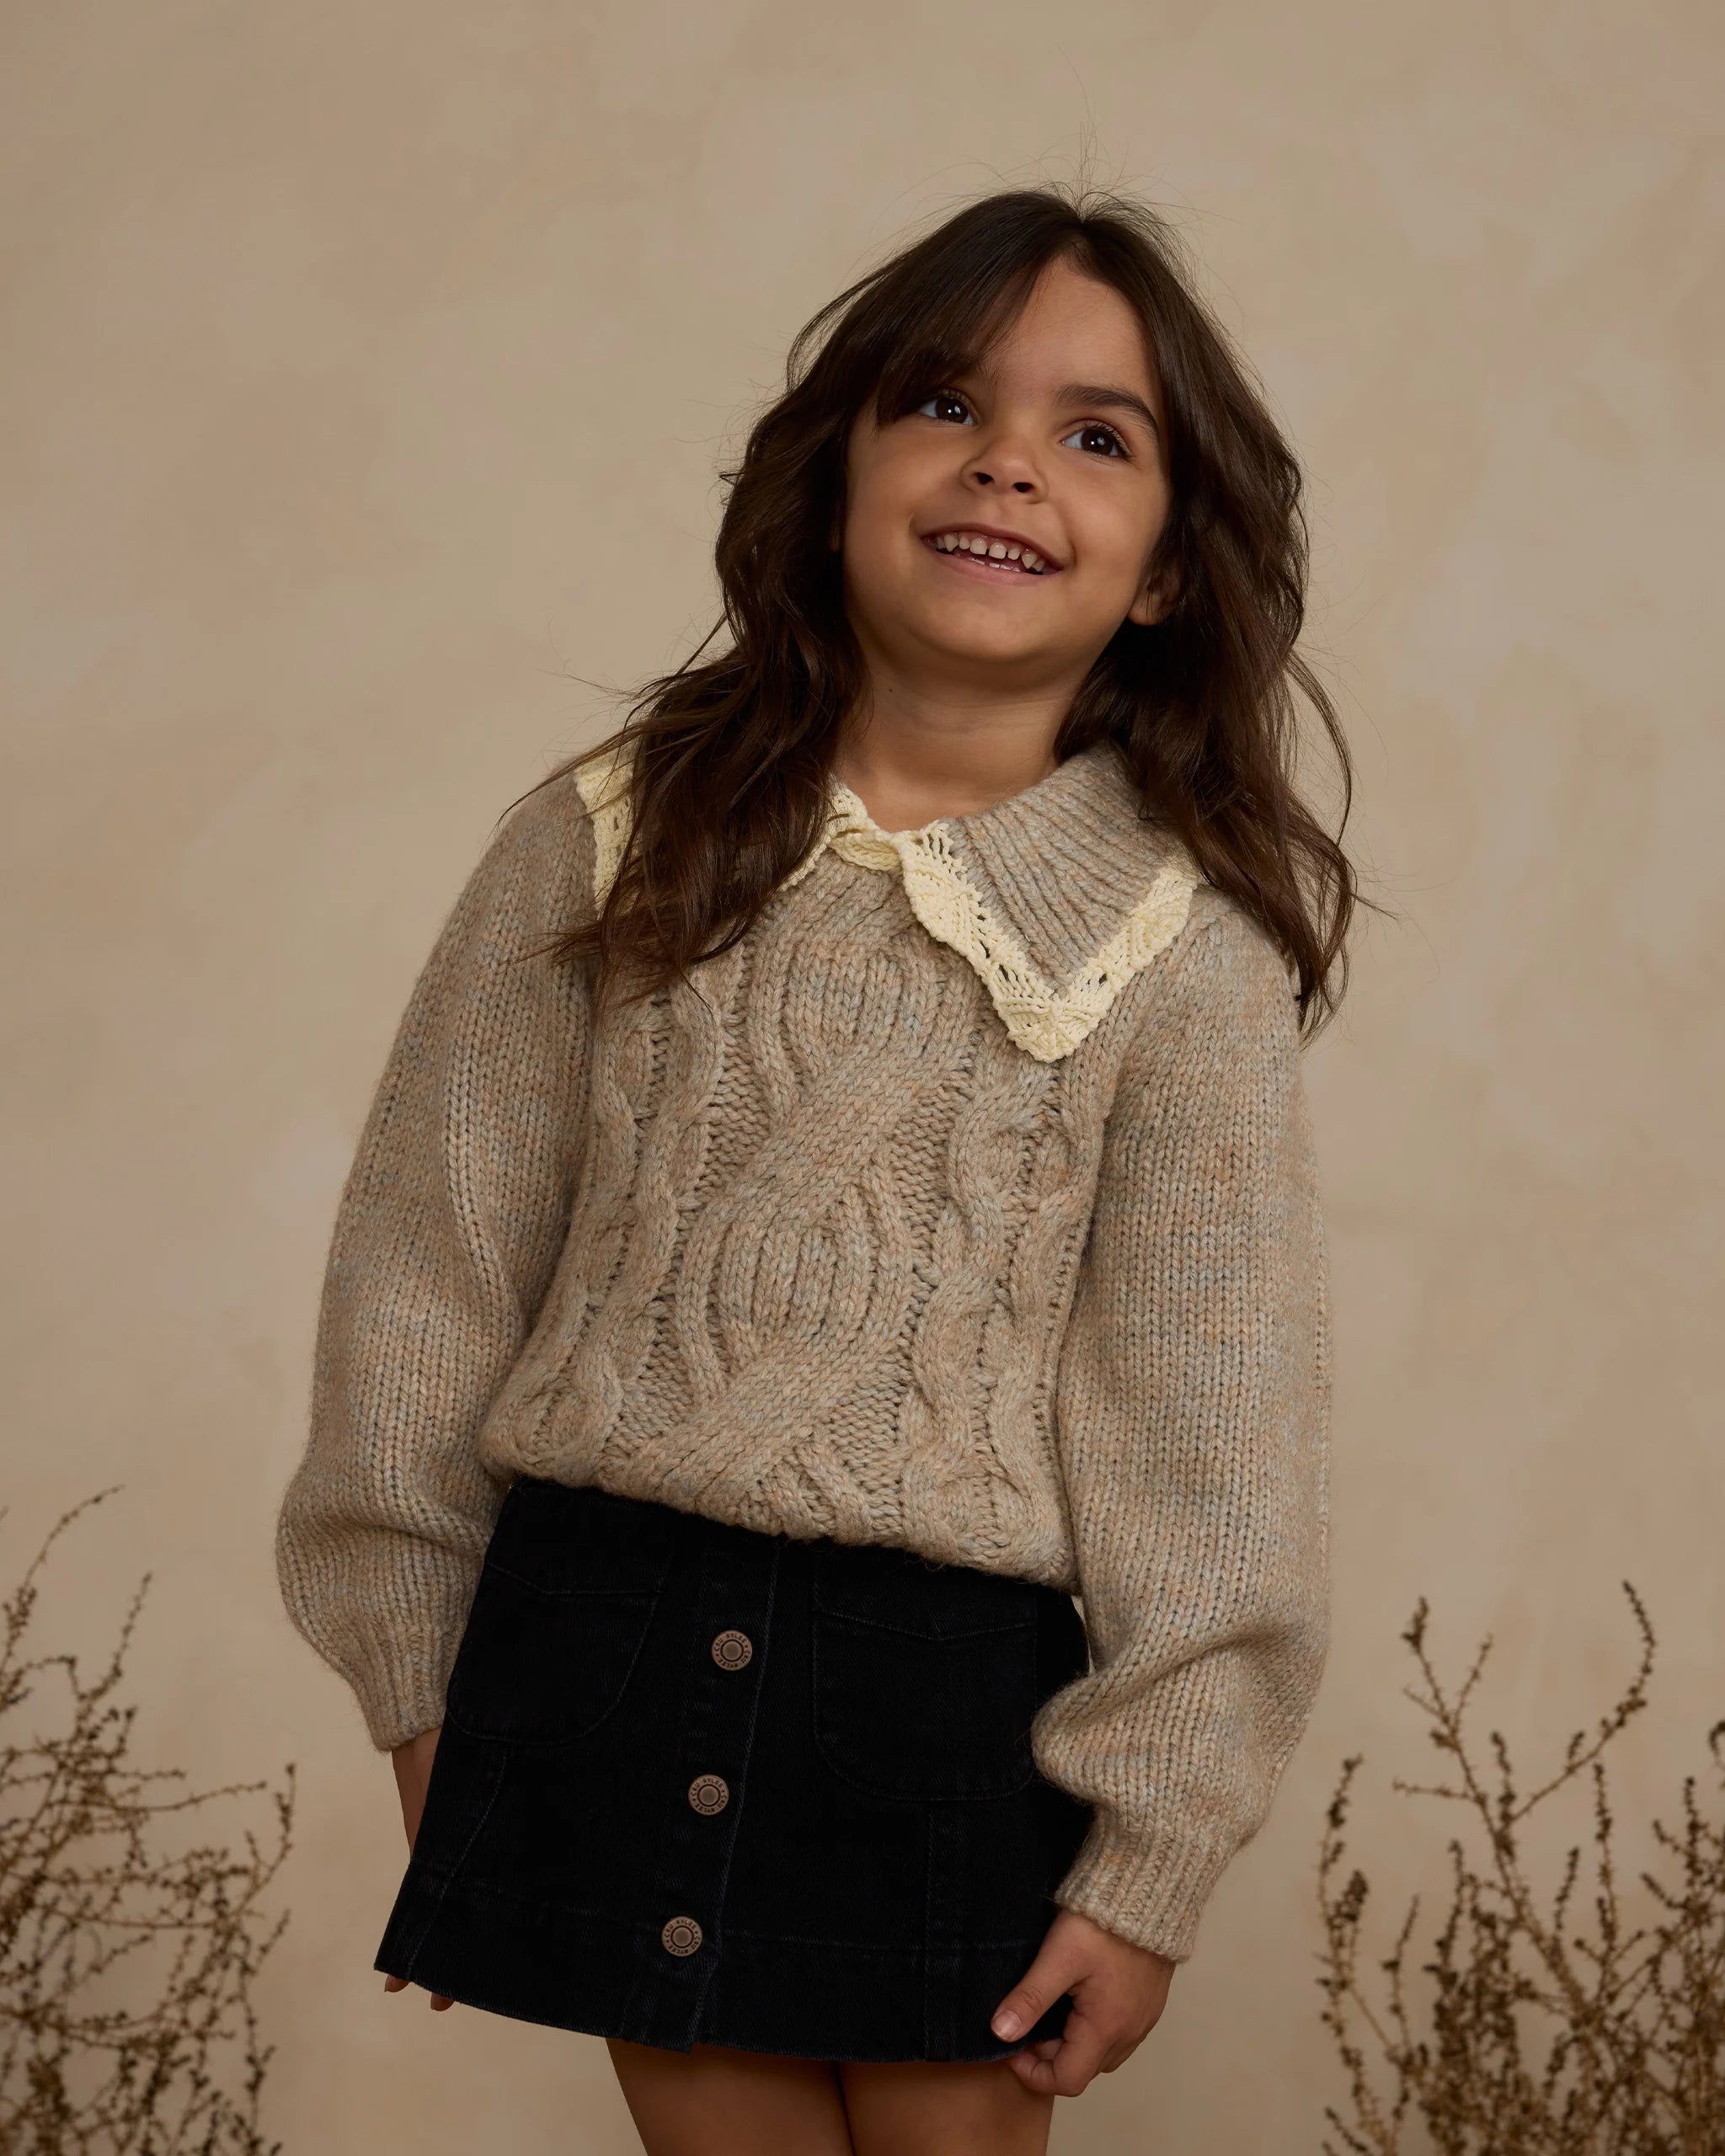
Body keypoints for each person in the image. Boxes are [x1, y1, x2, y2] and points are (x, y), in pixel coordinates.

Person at [275, 182, 1358, 2156]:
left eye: (1095, 434)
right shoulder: (611, 840)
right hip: (598, 1634)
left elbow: (1211, 1429)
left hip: (951, 1696)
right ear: (834, 477)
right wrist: (424, 1686)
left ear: (1164, 572)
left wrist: (1152, 1854)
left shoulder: (1179, 953)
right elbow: (426, 1274)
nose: (1007, 461)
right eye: (944, 403)